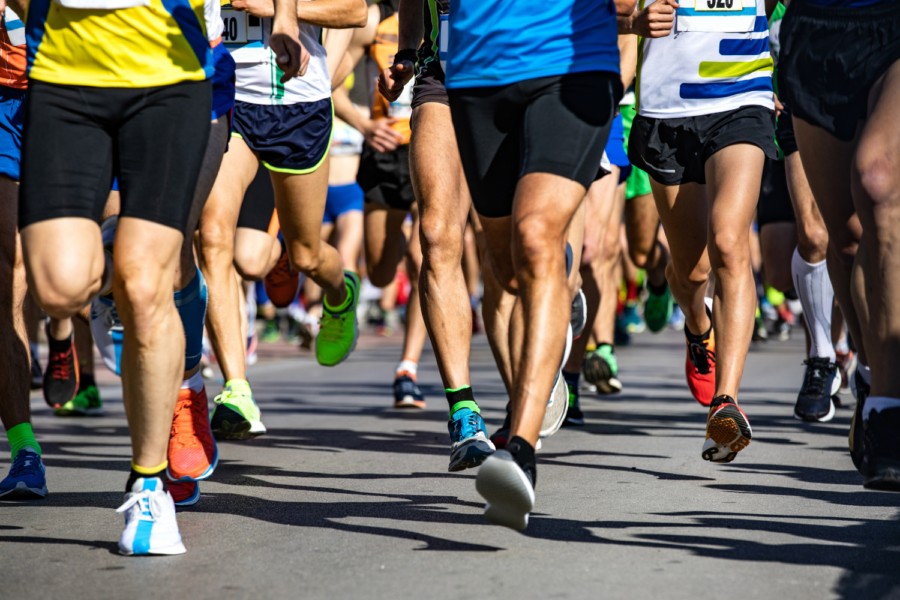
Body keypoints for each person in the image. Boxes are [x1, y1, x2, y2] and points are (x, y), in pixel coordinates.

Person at [445, 0, 625, 529]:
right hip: (477, 66)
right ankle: (557, 287)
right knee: (507, 267)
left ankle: (520, 447)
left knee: (536, 233)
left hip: (572, 64)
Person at [199, 0, 367, 440]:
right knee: (213, 237)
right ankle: (236, 389)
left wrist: (271, 8)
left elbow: (354, 11)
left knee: (308, 254)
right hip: (229, 102)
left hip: (299, 108)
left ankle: (338, 290)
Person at [620, 0, 778, 463]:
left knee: (729, 240)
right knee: (690, 272)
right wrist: (632, 21)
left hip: (742, 96)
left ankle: (724, 401)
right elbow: (598, 10)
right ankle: (697, 324)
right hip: (667, 109)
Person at [778, 0, 900, 490]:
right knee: (844, 238)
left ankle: (888, 412)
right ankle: (870, 371)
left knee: (877, 182)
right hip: (815, 30)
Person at [332, 0, 430, 410]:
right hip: (385, 153)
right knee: (382, 268)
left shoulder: (448, 15)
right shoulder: (373, 20)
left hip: (431, 144)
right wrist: (365, 125)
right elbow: (328, 82)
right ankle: (348, 290)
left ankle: (407, 369)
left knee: (426, 256)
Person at [0, 3, 46, 500]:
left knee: (65, 284)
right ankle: (24, 450)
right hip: (2, 100)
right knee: (7, 271)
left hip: (66, 90)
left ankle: (72, 320)